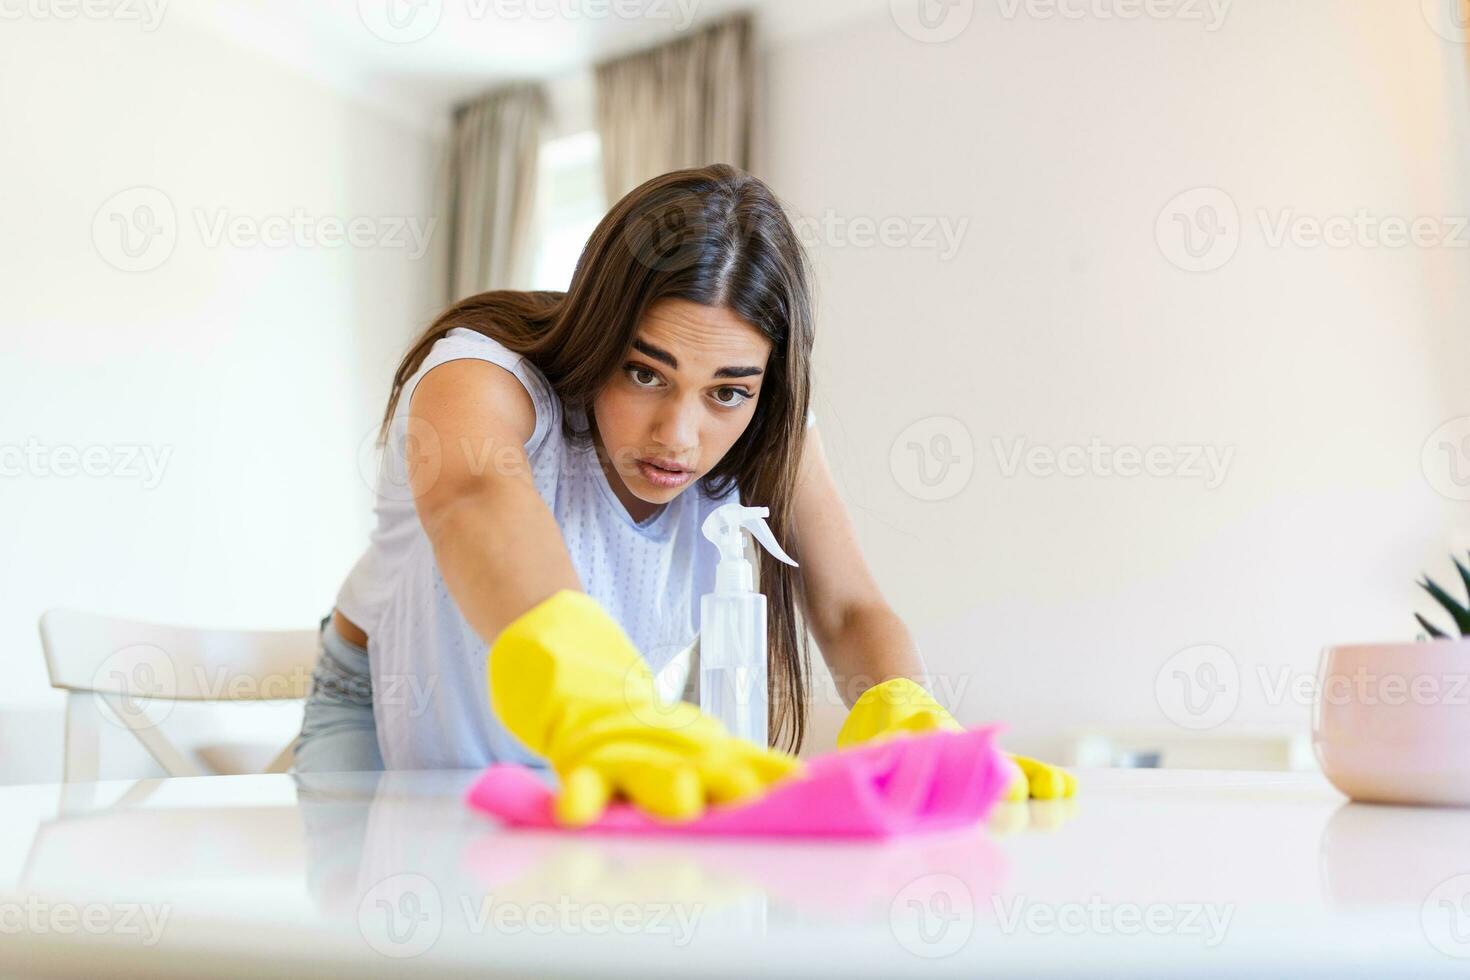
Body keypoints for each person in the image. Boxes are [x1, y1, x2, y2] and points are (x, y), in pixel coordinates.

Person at [292, 164, 1073, 824]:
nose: (678, 436)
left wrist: (905, 711)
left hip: (582, 713)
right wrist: (596, 702)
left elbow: (846, 609)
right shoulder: (479, 375)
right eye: (644, 373)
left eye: (726, 392)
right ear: (599, 331)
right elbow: (474, 501)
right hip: (386, 697)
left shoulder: (769, 431)